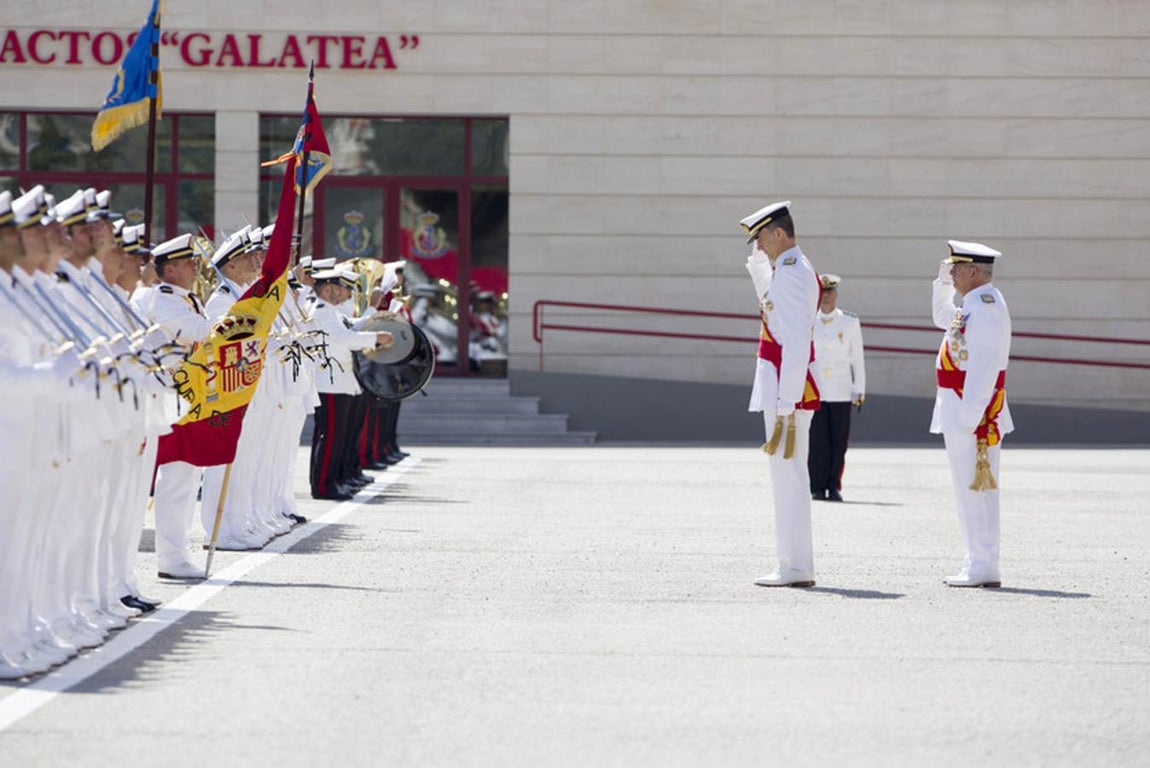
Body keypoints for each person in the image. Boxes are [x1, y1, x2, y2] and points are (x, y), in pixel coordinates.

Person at [741, 201, 822, 588]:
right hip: (781, 384)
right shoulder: (789, 270)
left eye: (761, 238)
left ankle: (795, 565)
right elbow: (772, 310)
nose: (760, 246)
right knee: (786, 478)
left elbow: (792, 342)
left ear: (778, 233)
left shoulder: (792, 273)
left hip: (785, 388)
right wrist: (758, 266)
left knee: (788, 479)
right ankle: (793, 562)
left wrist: (787, 401)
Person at [931, 240, 1013, 588]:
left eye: (956, 268)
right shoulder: (974, 305)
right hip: (962, 406)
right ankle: (976, 559)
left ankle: (983, 564)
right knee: (968, 489)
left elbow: (984, 366)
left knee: (976, 490)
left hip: (972, 411)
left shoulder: (987, 306)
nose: (952, 272)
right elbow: (942, 318)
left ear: (974, 272)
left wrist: (970, 417)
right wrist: (942, 284)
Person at [808, 274, 866, 502]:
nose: (827, 298)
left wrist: (859, 388)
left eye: (830, 293)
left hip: (841, 389)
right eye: (823, 293)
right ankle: (817, 486)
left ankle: (834, 486)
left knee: (838, 442)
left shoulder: (849, 322)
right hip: (817, 390)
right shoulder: (809, 320)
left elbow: (857, 358)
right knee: (817, 441)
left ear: (836, 295)